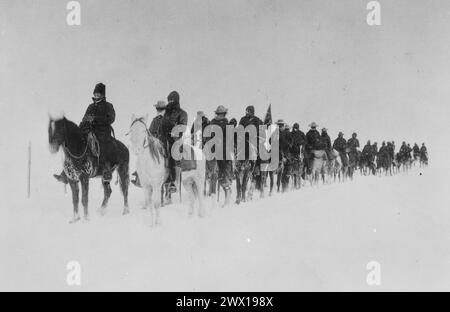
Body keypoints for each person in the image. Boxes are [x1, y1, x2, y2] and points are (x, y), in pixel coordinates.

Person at [54, 82, 116, 184]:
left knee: (102, 144)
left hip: (102, 131)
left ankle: (106, 169)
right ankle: (67, 173)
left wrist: (96, 119)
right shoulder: (90, 107)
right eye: (95, 94)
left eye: (98, 94)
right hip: (89, 130)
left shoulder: (108, 106)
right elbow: (84, 119)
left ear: (103, 95)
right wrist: (80, 128)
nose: (96, 96)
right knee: (77, 142)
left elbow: (111, 119)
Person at [131, 100, 166, 187]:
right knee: (143, 152)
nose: (159, 110)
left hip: (164, 141)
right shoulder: (154, 120)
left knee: (168, 154)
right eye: (158, 109)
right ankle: (139, 174)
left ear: (164, 109)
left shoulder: (167, 119)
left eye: (161, 109)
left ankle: (170, 175)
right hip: (154, 141)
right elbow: (150, 131)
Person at [161, 91, 188, 193]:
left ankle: (174, 181)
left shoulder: (182, 113)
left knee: (174, 155)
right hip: (164, 139)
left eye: (172, 100)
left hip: (175, 139)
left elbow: (183, 127)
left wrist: (174, 131)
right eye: (169, 100)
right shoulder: (166, 113)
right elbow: (162, 126)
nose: (170, 102)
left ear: (176, 100)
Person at [208, 105, 233, 205]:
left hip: (223, 151)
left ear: (224, 114)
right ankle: (212, 198)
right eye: (218, 114)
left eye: (221, 114)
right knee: (211, 174)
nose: (220, 116)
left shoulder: (227, 123)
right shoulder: (212, 123)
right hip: (212, 150)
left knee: (222, 174)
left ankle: (227, 192)